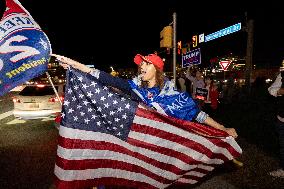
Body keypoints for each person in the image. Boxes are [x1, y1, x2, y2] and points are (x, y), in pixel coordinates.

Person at [52, 53, 238, 138]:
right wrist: (75, 65)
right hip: (137, 141)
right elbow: (108, 80)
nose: (141, 66)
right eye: (141, 64)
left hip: (164, 146)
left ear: (156, 70)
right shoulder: (135, 88)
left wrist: (223, 129)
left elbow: (199, 115)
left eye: (146, 64)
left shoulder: (174, 95)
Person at [268, 71, 284, 178]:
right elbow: (271, 90)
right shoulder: (282, 75)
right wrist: (280, 91)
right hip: (282, 120)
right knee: (283, 146)